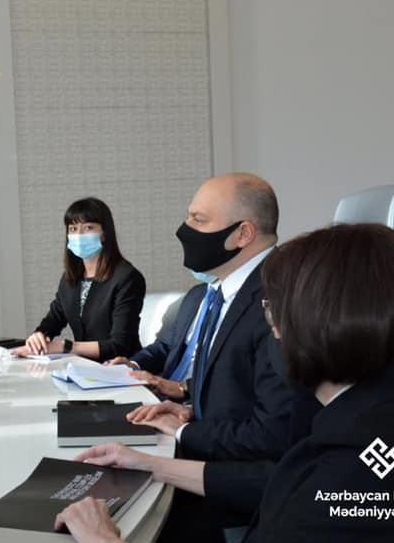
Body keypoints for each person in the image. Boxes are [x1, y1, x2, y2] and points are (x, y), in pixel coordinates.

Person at [58, 224, 394, 542]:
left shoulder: (354, 475)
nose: (270, 326)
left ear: (315, 324)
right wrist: (150, 465)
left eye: (272, 309)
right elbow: (283, 481)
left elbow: (315, 492)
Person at [103, 173, 297, 539]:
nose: (185, 229)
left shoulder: (278, 299)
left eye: (199, 220)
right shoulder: (224, 292)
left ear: (243, 234)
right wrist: (188, 411)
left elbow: (274, 431)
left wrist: (187, 431)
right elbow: (240, 389)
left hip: (235, 490)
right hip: (206, 452)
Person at [15, 197, 146, 361]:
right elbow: (53, 320)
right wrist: (39, 336)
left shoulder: (127, 278)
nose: (79, 235)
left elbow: (120, 345)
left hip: (119, 367)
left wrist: (66, 346)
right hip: (84, 368)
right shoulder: (70, 279)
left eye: (88, 227)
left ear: (104, 234)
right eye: (73, 229)